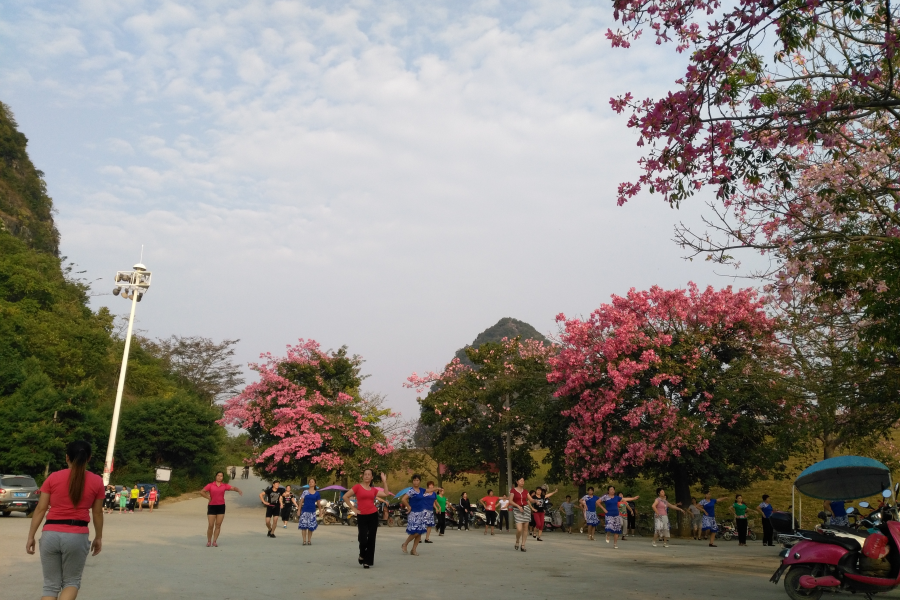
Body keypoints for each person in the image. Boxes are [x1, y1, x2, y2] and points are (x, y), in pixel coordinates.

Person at [25, 440, 104, 600]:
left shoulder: (53, 478)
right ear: (88, 458)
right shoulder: (96, 481)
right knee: (71, 582)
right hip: (77, 535)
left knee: (50, 586)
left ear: (67, 457)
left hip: (50, 534)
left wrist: (31, 536)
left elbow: (40, 509)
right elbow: (97, 513)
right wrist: (98, 537)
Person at [344, 470, 393, 568]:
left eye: (369, 475)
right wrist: (353, 508)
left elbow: (386, 493)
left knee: (371, 538)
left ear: (371, 478)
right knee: (362, 539)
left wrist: (384, 481)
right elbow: (346, 496)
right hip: (362, 515)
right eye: (365, 474)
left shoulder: (373, 490)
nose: (367, 476)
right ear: (363, 477)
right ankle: (362, 554)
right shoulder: (357, 487)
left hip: (373, 515)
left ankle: (367, 561)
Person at [200, 471, 243, 547]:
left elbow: (233, 488)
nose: (219, 477)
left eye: (221, 476)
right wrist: (208, 497)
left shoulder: (224, 485)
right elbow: (202, 492)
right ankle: (209, 541)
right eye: (218, 475)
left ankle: (214, 541)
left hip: (221, 506)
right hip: (212, 506)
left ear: (223, 477)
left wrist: (238, 490)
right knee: (210, 525)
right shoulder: (210, 485)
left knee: (218, 525)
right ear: (216, 476)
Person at [399, 475, 430, 555]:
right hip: (413, 514)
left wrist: (437, 489)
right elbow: (403, 499)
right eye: (414, 480)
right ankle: (405, 544)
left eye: (417, 480)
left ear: (420, 481)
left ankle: (414, 550)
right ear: (412, 481)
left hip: (421, 513)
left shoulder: (421, 490)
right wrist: (408, 506)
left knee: (420, 532)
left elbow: (429, 490)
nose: (416, 482)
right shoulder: (411, 491)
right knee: (415, 532)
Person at [508, 477, 532, 552]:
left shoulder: (525, 491)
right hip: (517, 509)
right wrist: (518, 506)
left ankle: (523, 545)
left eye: (523, 480)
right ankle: (517, 541)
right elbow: (510, 501)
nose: (522, 482)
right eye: (521, 480)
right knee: (519, 529)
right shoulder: (513, 490)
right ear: (517, 482)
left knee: (525, 528)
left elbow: (530, 499)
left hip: (526, 509)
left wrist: (536, 501)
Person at [298, 478, 321, 546]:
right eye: (310, 482)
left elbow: (319, 503)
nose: (311, 483)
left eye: (312, 482)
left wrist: (320, 511)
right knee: (304, 526)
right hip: (305, 511)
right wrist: (299, 510)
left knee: (311, 527)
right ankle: (304, 540)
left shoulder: (317, 493)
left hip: (312, 511)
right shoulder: (305, 492)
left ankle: (309, 540)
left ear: (315, 484)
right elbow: (301, 501)